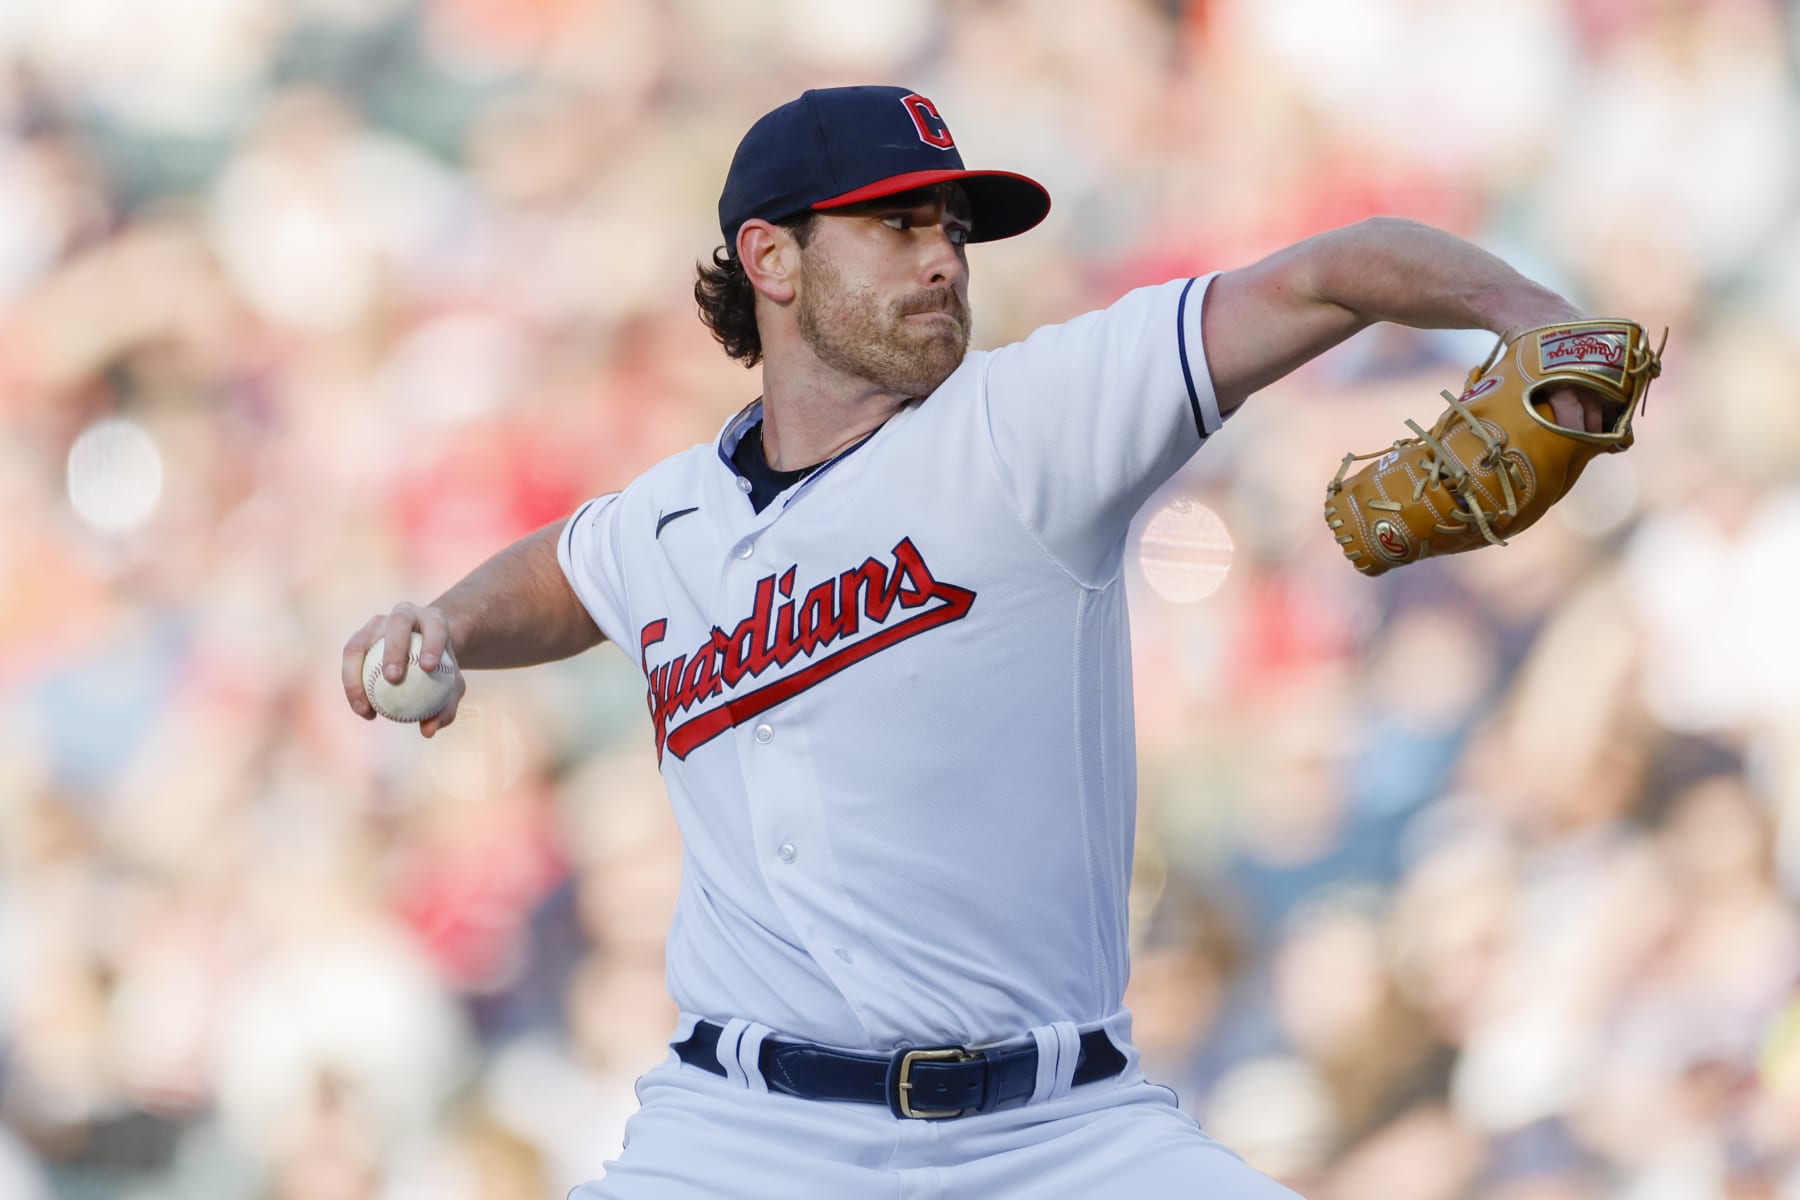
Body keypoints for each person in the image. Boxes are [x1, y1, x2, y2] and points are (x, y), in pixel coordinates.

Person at [342, 86, 1613, 1198]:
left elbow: (1330, 269)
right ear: (770, 258)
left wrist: (1539, 320)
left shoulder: (1030, 423)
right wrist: (447, 619)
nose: (944, 257)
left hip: (1062, 1134)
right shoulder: (668, 514)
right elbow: (568, 570)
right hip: (742, 1134)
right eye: (897, 224)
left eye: (952, 228)